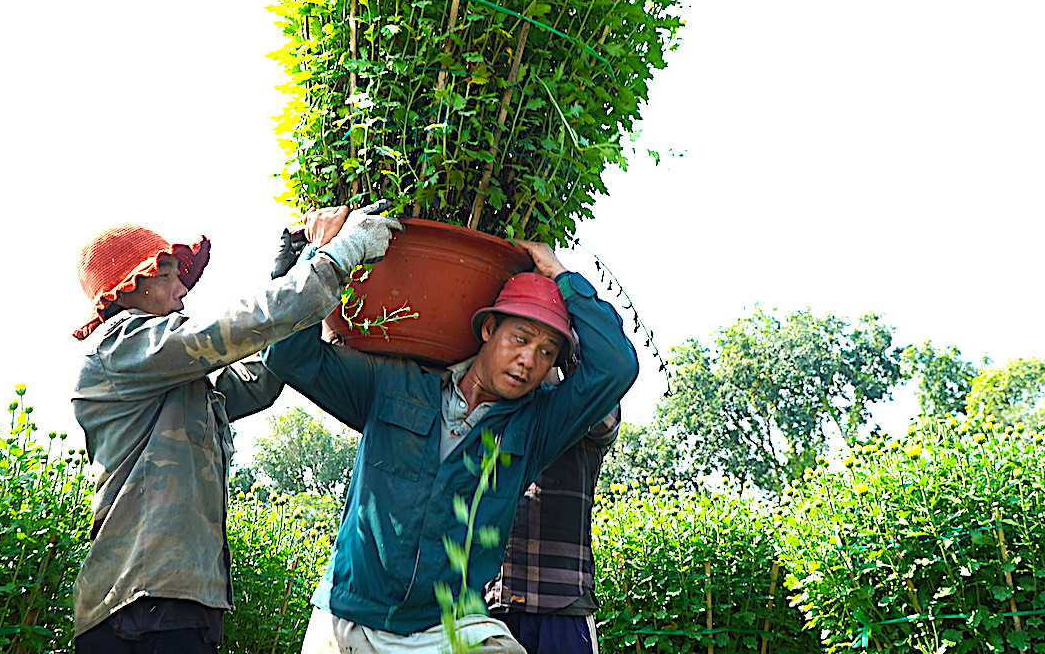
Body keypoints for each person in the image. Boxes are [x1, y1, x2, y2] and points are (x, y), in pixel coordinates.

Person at [263, 241, 638, 654]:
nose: (529, 360)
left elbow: (617, 366)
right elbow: (285, 355)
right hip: (349, 618)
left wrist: (565, 279)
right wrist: (322, 254)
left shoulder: (537, 427)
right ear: (488, 330)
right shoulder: (394, 382)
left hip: (448, 626)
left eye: (546, 352)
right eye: (521, 338)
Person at [69, 204, 401, 654]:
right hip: (140, 602)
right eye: (168, 274)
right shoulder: (120, 349)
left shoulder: (177, 383)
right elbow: (234, 329)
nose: (182, 289)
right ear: (130, 285)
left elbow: (260, 379)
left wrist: (291, 268)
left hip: (181, 602)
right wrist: (337, 256)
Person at [483, 364, 622, 654]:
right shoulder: (496, 415)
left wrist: (568, 356)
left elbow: (606, 420)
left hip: (562, 602)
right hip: (493, 606)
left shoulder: (583, 410)